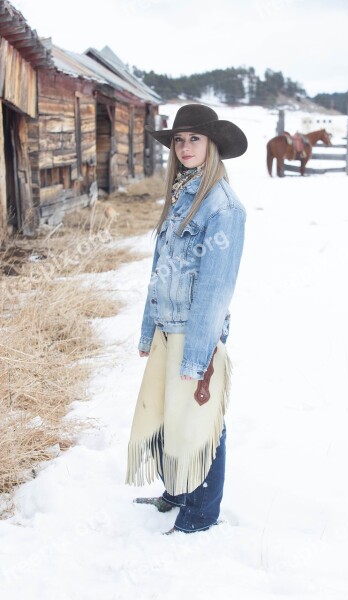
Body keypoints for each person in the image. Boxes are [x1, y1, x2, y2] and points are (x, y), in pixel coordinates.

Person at [125, 104, 247, 534]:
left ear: (212, 144)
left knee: (201, 418)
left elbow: (216, 290)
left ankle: (201, 514)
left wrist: (197, 359)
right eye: (179, 139)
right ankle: (175, 491)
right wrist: (147, 329)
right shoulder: (181, 195)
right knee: (165, 413)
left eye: (195, 138)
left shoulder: (223, 207)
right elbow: (159, 272)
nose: (185, 146)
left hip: (196, 332)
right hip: (165, 325)